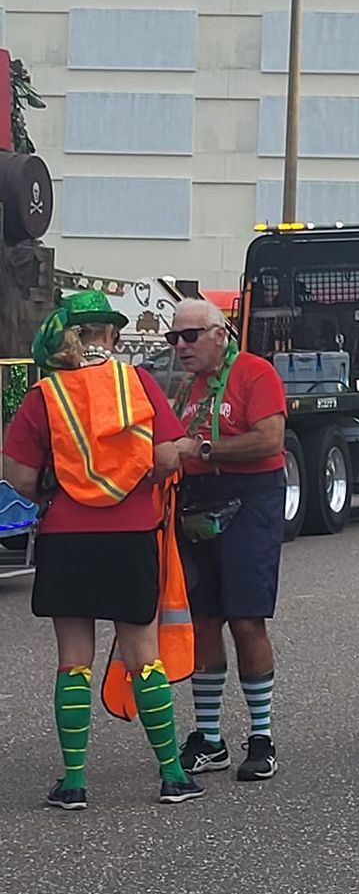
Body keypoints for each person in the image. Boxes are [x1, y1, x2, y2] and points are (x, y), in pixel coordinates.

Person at [2, 292, 205, 808]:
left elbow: (18, 475)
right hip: (131, 532)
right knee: (143, 655)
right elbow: (163, 456)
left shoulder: (45, 396)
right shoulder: (135, 383)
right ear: (110, 336)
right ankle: (173, 775)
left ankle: (73, 784)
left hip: (67, 536)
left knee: (73, 660)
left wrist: (53, 491)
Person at [169, 297, 289, 783]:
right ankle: (209, 737)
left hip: (250, 496)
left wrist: (200, 447)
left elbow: (269, 440)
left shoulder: (256, 374)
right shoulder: (187, 387)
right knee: (203, 620)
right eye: (173, 338)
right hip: (200, 498)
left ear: (220, 334)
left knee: (245, 619)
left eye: (189, 336)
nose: (179, 346)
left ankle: (261, 737)